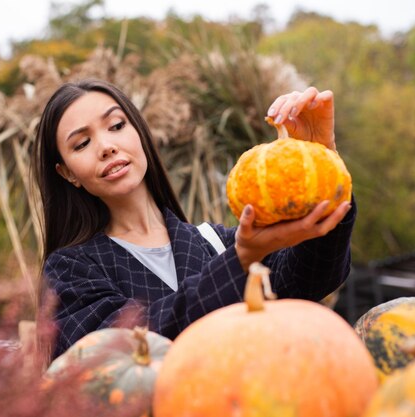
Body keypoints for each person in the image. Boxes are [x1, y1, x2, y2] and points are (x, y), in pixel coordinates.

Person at [32, 78, 354, 359]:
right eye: (82, 143)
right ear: (68, 173)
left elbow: (308, 278)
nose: (107, 146)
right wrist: (241, 258)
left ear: (139, 132)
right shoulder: (69, 271)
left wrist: (322, 167)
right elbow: (119, 349)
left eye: (117, 126)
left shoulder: (215, 243)